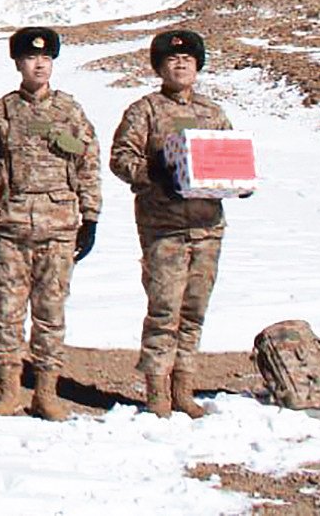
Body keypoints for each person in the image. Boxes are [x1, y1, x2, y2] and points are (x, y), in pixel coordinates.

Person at [0, 26, 101, 420]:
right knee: (7, 314)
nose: (39, 64)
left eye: (46, 57)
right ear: (18, 63)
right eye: (31, 58)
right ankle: (9, 391)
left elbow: (88, 162)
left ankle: (46, 392)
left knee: (51, 314)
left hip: (59, 228)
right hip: (11, 228)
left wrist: (91, 216)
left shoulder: (70, 111)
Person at [108, 29, 234, 418]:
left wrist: (237, 181)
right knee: (164, 311)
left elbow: (229, 154)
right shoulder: (144, 110)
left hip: (207, 226)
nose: (181, 65)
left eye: (188, 60)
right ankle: (157, 391)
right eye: (172, 60)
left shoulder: (213, 113)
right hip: (164, 228)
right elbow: (120, 158)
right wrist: (154, 172)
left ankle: (184, 387)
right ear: (160, 67)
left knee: (194, 310)